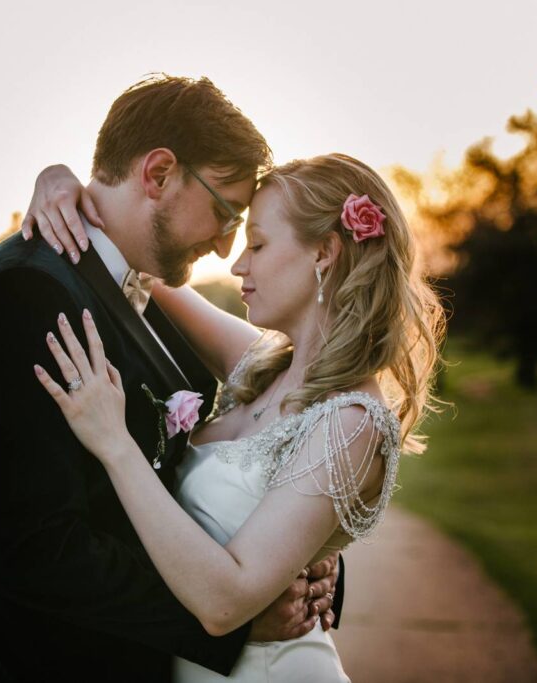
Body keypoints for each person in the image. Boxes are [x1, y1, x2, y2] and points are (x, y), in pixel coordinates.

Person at [0, 74, 341, 683]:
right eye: (225, 209)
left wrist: (303, 557)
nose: (228, 243)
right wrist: (231, 621)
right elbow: (32, 551)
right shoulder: (24, 294)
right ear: (158, 173)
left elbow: (229, 460)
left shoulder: (144, 295)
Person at [26, 153, 446, 681]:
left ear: (325, 252)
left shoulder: (352, 422)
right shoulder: (265, 366)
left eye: (259, 244)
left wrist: (114, 444)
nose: (237, 264)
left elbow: (224, 603)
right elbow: (137, 264)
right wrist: (58, 182)